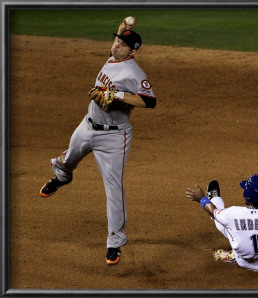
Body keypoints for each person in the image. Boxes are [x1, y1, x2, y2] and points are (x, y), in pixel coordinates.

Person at [39, 18, 156, 265]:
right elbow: (120, 37)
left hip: (114, 137)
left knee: (114, 188)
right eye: (116, 40)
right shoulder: (113, 56)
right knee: (69, 158)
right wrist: (124, 24)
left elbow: (149, 101)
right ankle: (62, 176)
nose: (116, 45)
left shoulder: (135, 73)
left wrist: (119, 96)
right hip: (87, 124)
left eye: (122, 44)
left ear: (133, 51)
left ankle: (115, 241)